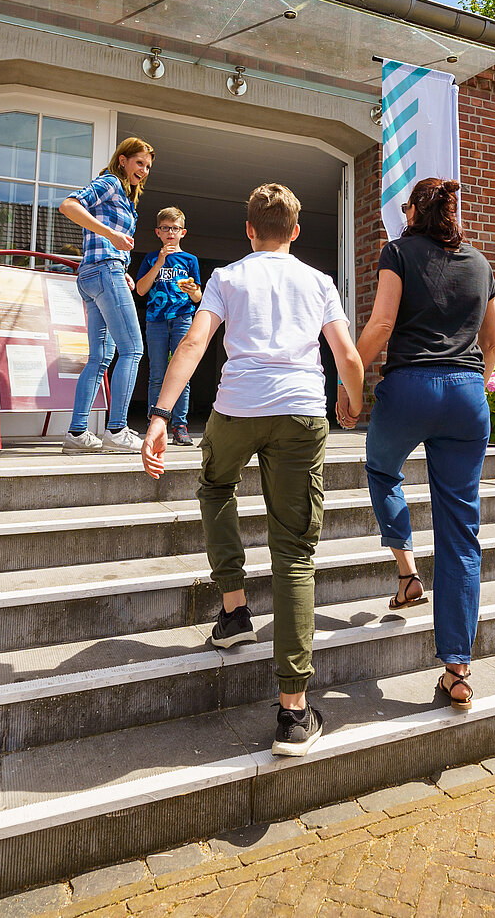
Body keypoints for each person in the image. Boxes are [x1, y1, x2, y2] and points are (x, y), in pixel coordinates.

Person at [141, 183, 365, 757]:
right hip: (300, 411)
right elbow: (348, 355)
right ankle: (293, 713)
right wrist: (351, 399)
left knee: (215, 485)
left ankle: (235, 607)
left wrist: (162, 414)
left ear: (248, 230)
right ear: (295, 231)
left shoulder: (228, 277)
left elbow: (194, 342)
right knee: (294, 552)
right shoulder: (318, 281)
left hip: (236, 407)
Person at [346, 178, 495, 709]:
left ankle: (407, 571)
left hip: (409, 387)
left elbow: (383, 321)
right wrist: (473, 389)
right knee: (462, 531)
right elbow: (491, 343)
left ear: (412, 212)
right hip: (465, 393)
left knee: (383, 467)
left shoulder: (398, 251)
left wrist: (351, 383)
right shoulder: (480, 264)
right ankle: (457, 670)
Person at [58, 136, 153, 453]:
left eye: (148, 166)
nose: (144, 169)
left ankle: (77, 433)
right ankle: (117, 429)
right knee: (133, 350)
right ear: (123, 160)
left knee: (100, 357)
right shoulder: (110, 182)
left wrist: (122, 267)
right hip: (102, 272)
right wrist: (111, 234)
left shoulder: (127, 199)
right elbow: (69, 204)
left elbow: (104, 243)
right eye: (139, 162)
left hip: (95, 273)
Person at [134, 206, 204, 446]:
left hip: (183, 317)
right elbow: (141, 290)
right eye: (166, 228)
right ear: (158, 232)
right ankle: (156, 422)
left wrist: (194, 290)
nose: (170, 232)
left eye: (175, 228)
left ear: (183, 232)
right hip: (156, 320)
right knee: (157, 374)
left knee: (182, 373)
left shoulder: (190, 259)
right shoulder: (151, 258)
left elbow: (198, 298)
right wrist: (160, 261)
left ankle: (180, 425)